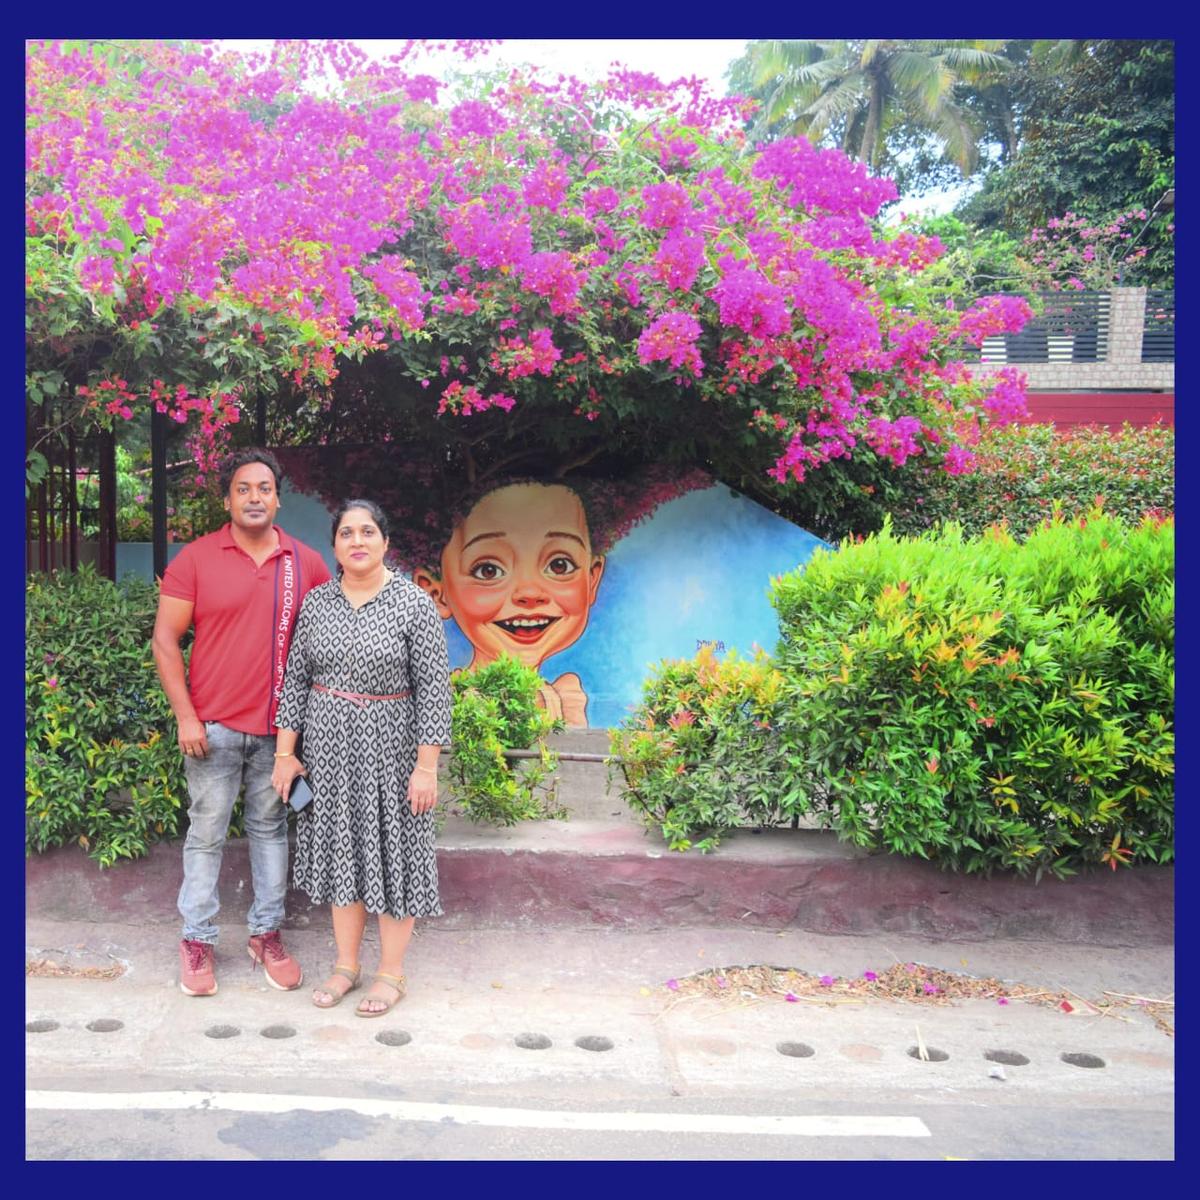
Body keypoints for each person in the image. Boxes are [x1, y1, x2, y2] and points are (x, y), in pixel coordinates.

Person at [152, 448, 331, 997]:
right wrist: (186, 716)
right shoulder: (197, 559)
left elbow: (325, 647)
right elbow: (165, 641)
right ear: (228, 499)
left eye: (264, 488)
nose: (254, 497)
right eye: (243, 489)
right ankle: (198, 942)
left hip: (280, 736)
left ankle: (265, 935)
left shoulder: (307, 564)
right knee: (205, 835)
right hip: (213, 731)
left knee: (271, 831)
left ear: (278, 498)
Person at [271, 499, 452, 1017]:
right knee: (341, 855)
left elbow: (434, 692)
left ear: (385, 542)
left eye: (367, 531)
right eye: (347, 533)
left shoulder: (412, 605)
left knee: (396, 855)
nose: (357, 541)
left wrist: (427, 767)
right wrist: (286, 754)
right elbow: (295, 683)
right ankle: (346, 966)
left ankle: (391, 974)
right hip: (327, 751)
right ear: (335, 546)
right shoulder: (318, 603)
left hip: (393, 753)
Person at [413, 481, 605, 727]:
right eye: (488, 570)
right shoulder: (445, 701)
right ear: (435, 594)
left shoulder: (567, 700)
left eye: (560, 565)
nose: (530, 593)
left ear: (592, 580)